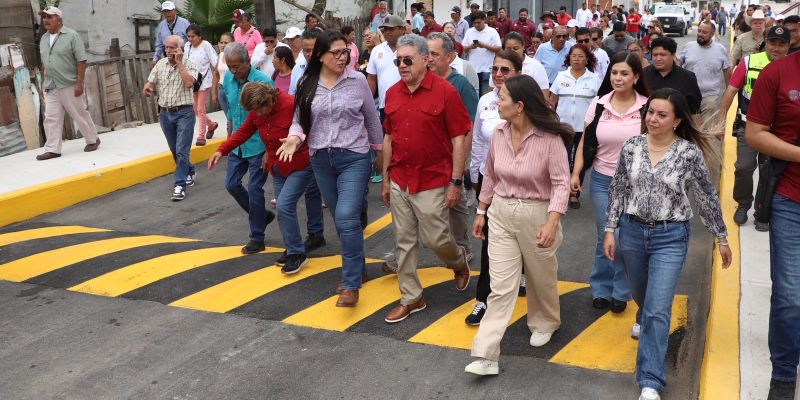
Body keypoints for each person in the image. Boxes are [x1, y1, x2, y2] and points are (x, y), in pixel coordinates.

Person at [605, 88, 731, 400]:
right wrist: (610, 228)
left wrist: (721, 235)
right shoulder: (632, 146)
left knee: (658, 309)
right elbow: (618, 187)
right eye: (650, 112)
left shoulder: (688, 153)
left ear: (676, 121)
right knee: (643, 299)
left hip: (670, 237)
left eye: (662, 115)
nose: (654, 119)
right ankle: (647, 329)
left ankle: (650, 380)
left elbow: (705, 195)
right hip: (632, 234)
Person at [465, 74, 572, 375]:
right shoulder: (499, 132)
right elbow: (491, 175)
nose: (496, 101)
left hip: (538, 213)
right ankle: (485, 354)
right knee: (500, 286)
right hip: (500, 213)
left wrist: (553, 221)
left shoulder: (550, 140)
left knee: (540, 277)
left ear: (520, 106)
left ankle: (545, 321)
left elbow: (562, 184)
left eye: (502, 97)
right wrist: (481, 211)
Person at [278, 30, 383, 307]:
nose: (342, 57)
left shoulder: (357, 80)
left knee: (347, 216)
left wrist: (381, 156)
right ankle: (358, 265)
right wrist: (293, 138)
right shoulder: (306, 83)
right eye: (335, 53)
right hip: (321, 159)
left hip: (354, 157)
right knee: (342, 219)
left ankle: (350, 284)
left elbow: (372, 121)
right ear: (321, 56)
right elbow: (299, 121)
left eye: (345, 52)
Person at [380, 34, 472, 323]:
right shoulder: (392, 92)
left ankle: (458, 263)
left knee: (437, 239)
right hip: (399, 178)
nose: (402, 65)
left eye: (408, 60)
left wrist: (456, 183)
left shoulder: (445, 92)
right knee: (403, 242)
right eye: (398, 61)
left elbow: (460, 139)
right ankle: (412, 297)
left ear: (425, 59)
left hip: (433, 179)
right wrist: (385, 179)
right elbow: (388, 138)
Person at [209, 82, 318, 272]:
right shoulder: (257, 109)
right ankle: (292, 249)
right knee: (286, 211)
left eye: (260, 109)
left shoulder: (292, 104)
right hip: (278, 167)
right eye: (255, 111)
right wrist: (221, 150)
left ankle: (297, 253)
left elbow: (311, 129)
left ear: (269, 99)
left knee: (283, 206)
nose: (258, 114)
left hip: (301, 165)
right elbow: (243, 131)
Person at [745, 38, 800, 400]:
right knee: (790, 296)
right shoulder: (777, 73)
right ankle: (783, 374)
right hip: (790, 199)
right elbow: (755, 134)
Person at [571, 52, 647, 314]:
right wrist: (576, 173)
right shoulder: (599, 105)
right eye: (614, 72)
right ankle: (601, 288)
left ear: (636, 77)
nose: (618, 78)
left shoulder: (647, 107)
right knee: (608, 234)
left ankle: (621, 291)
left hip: (636, 185)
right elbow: (584, 141)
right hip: (603, 182)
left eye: (625, 73)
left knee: (626, 240)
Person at [465, 50, 526, 325]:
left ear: (518, 73)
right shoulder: (485, 101)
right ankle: (483, 300)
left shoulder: (530, 104)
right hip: (490, 183)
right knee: (490, 243)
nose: (498, 75)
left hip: (524, 187)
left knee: (527, 241)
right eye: (495, 69)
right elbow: (478, 139)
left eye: (505, 70)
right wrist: (475, 173)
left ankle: (530, 290)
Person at [721, 26, 791, 232]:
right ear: (765, 42)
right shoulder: (749, 62)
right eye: (772, 43)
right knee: (744, 167)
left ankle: (762, 211)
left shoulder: (793, 68)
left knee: (768, 172)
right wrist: (720, 121)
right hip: (748, 126)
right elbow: (731, 90)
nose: (776, 48)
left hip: (778, 133)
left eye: (781, 44)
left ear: (788, 46)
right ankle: (743, 203)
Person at [218, 42, 283, 253]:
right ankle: (261, 215)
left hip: (259, 144)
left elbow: (273, 116)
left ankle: (257, 237)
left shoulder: (262, 81)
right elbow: (231, 110)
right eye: (229, 66)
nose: (233, 70)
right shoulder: (228, 78)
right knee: (231, 184)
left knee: (255, 189)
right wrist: (228, 137)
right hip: (238, 144)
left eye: (237, 66)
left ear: (247, 61)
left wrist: (268, 150)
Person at [427, 32, 478, 260]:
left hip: (451, 156)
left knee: (455, 202)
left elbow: (469, 125)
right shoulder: (423, 80)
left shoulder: (461, 84)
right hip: (427, 156)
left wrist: (464, 159)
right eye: (426, 53)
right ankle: (401, 256)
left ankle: (462, 247)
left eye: (434, 54)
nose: (429, 58)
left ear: (449, 56)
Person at [37, 7, 100, 161]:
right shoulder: (44, 39)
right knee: (51, 117)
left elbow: (81, 60)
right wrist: (43, 83)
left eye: (49, 17)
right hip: (51, 85)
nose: (46, 20)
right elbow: (45, 62)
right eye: (44, 17)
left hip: (69, 84)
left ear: (59, 20)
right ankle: (52, 149)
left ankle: (93, 139)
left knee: (79, 114)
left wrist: (79, 83)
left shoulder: (72, 35)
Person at [143, 35, 198, 201]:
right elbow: (151, 83)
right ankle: (190, 170)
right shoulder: (160, 64)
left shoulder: (190, 64)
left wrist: (180, 63)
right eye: (166, 47)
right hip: (165, 113)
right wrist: (148, 88)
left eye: (172, 47)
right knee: (175, 150)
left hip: (185, 113)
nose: (168, 50)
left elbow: (189, 83)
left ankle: (179, 185)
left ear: (180, 49)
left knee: (182, 150)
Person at [550, 43, 600, 210]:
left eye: (580, 56)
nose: (577, 59)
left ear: (587, 59)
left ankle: (574, 194)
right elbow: (552, 101)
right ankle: (560, 193)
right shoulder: (561, 76)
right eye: (573, 56)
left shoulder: (594, 79)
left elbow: (598, 105)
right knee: (562, 161)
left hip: (584, 129)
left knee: (580, 162)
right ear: (569, 58)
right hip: (563, 128)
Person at [678, 20, 732, 151]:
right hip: (688, 98)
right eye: (699, 31)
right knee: (689, 130)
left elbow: (727, 71)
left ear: (712, 33)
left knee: (707, 132)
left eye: (705, 32)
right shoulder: (688, 46)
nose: (700, 34)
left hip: (710, 98)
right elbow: (678, 65)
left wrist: (729, 93)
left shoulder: (720, 49)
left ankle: (706, 161)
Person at [644, 37, 702, 127]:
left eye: (663, 55)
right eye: (655, 55)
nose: (658, 58)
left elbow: (695, 111)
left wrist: (697, 137)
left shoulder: (688, 77)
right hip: (648, 130)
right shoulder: (643, 75)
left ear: (673, 55)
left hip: (680, 132)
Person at [183, 24, 219, 147]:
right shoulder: (187, 46)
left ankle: (201, 135)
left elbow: (215, 61)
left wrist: (220, 73)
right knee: (195, 109)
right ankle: (212, 124)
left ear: (200, 36)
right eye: (188, 36)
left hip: (204, 81)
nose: (190, 39)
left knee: (200, 109)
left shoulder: (206, 45)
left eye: (193, 36)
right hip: (192, 81)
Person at [367, 15, 404, 119]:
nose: (387, 32)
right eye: (386, 29)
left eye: (391, 29)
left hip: (408, 105)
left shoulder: (410, 48)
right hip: (385, 106)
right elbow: (371, 79)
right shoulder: (377, 50)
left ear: (402, 30)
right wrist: (368, 104)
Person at [462, 12, 502, 96]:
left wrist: (485, 46)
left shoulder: (492, 31)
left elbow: (498, 48)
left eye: (479, 22)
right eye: (474, 23)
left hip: (487, 69)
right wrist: (470, 46)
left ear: (484, 20)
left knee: (486, 95)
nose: (477, 25)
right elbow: (463, 49)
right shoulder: (469, 31)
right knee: (473, 95)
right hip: (473, 69)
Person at [503, 32, 550, 98]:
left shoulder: (536, 66)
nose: (512, 52)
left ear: (523, 47)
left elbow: (544, 94)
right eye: (508, 49)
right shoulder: (500, 65)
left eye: (516, 48)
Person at [152, 1, 190, 66]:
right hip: (168, 58)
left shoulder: (185, 23)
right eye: (165, 11)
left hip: (183, 57)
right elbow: (159, 45)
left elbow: (191, 40)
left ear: (175, 11)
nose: (167, 13)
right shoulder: (161, 25)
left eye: (169, 11)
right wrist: (155, 59)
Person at [289, 28, 320, 95]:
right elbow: (292, 95)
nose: (311, 54)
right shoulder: (297, 68)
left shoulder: (330, 69)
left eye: (314, 50)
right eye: (307, 51)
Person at [216, 32, 233, 135]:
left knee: (232, 117)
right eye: (221, 42)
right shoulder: (221, 54)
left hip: (232, 89)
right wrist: (214, 92)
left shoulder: (235, 56)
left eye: (226, 42)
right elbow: (216, 74)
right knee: (228, 116)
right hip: (221, 89)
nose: (223, 45)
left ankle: (231, 139)